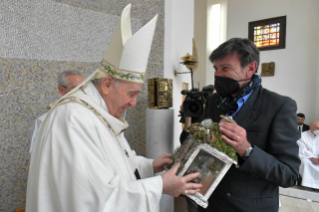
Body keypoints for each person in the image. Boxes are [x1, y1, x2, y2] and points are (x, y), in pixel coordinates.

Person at [25, 4, 202, 212]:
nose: (134, 103)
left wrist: (149, 165)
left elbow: (111, 166)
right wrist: (160, 185)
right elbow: (95, 200)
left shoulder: (97, 113)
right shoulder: (73, 118)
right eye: (131, 94)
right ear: (107, 85)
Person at [179, 38, 300, 212]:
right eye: (216, 69)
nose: (218, 75)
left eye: (226, 68)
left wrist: (247, 150)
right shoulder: (214, 101)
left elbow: (288, 175)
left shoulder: (278, 106)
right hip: (211, 205)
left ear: (250, 68)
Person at [29, 70, 85, 154]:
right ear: (62, 90)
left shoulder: (90, 118)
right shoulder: (44, 121)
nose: (82, 95)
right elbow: (36, 155)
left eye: (84, 90)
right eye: (76, 89)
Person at [297, 121, 319, 190]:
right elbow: (302, 149)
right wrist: (312, 158)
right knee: (305, 162)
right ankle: (308, 185)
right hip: (306, 157)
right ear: (310, 127)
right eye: (317, 128)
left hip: (317, 158)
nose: (318, 130)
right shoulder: (302, 135)